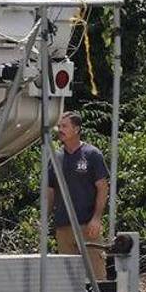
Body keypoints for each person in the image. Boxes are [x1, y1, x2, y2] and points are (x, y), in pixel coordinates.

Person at [46, 110, 110, 281]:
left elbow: (103, 187)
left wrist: (97, 218)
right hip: (63, 227)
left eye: (64, 126)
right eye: (59, 126)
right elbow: (51, 190)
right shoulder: (56, 157)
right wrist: (45, 218)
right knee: (68, 280)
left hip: (87, 227)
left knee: (96, 276)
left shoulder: (92, 154)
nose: (60, 129)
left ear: (76, 129)